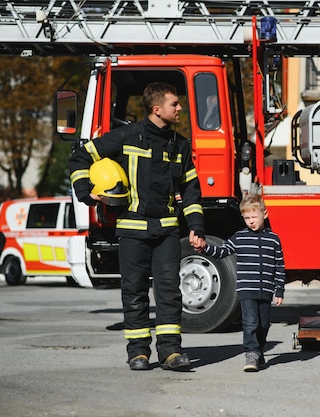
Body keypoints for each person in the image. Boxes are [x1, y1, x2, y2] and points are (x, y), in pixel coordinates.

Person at [69, 82, 206, 371]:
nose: (180, 108)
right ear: (157, 109)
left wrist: (196, 226)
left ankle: (170, 352)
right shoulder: (126, 136)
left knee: (170, 291)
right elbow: (81, 156)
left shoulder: (180, 145)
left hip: (167, 230)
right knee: (134, 290)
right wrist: (86, 193)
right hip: (132, 230)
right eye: (174, 104)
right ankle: (138, 353)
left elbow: (191, 189)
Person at [197, 194, 285, 372]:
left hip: (266, 289)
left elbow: (279, 266)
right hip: (247, 289)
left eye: (254, 217)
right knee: (250, 322)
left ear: (265, 214)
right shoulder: (238, 238)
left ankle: (259, 350)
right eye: (247, 218)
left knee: (264, 324)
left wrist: (279, 290)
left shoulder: (274, 240)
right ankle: (251, 353)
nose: (251, 221)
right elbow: (222, 251)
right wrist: (205, 247)